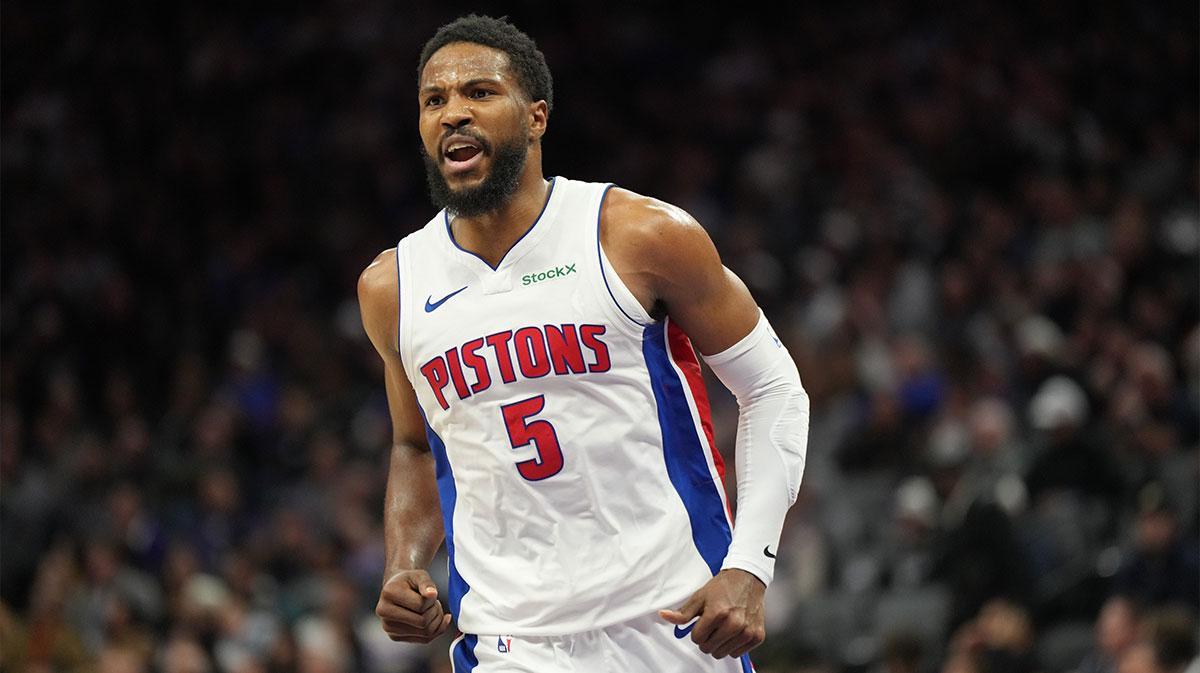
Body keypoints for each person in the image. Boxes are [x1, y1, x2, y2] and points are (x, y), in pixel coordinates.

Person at [356, 15, 810, 672]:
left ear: (536, 117)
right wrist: (404, 564)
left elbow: (771, 386)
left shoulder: (638, 235)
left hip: (671, 623)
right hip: (509, 642)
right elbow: (414, 444)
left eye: (479, 92)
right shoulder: (392, 286)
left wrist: (749, 564)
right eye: (434, 100)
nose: (453, 112)